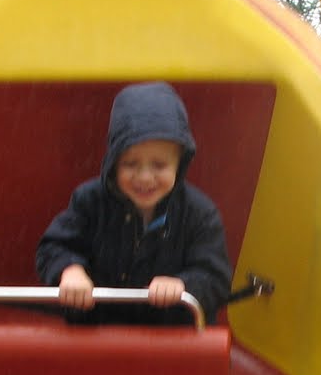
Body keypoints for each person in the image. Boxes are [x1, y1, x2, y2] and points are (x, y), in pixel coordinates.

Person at [36, 82, 232, 325]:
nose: (144, 178)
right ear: (114, 163)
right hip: (97, 333)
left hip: (169, 340)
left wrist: (183, 284)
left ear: (179, 164)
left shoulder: (199, 213)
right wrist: (70, 271)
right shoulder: (90, 200)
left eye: (159, 165)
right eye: (131, 164)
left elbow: (216, 278)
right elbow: (53, 247)